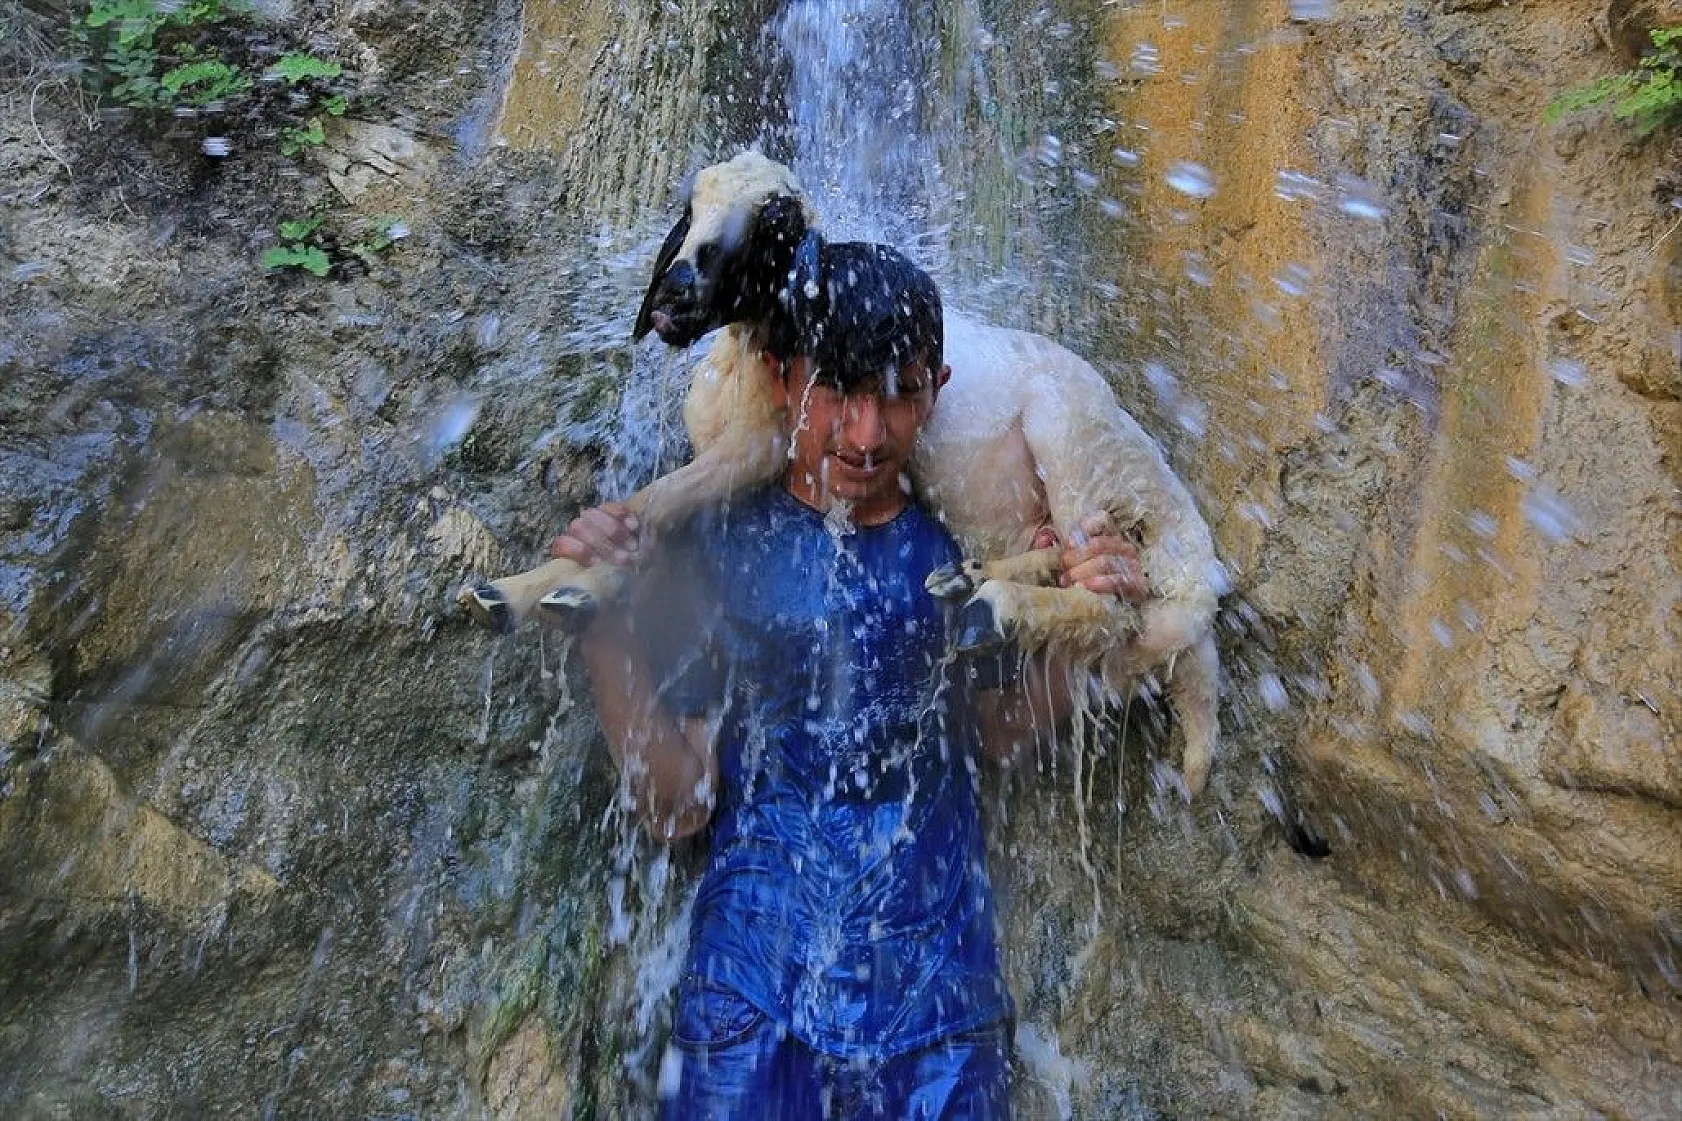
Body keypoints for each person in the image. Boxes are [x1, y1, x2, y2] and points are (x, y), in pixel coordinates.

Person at [551, 243, 1146, 1119]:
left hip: (936, 1004)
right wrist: (599, 625)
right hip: (749, 1002)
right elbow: (675, 806)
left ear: (937, 387)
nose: (867, 433)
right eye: (838, 389)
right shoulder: (714, 547)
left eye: (900, 392)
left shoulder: (967, 549)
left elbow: (1001, 733)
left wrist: (1089, 625)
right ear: (781, 376)